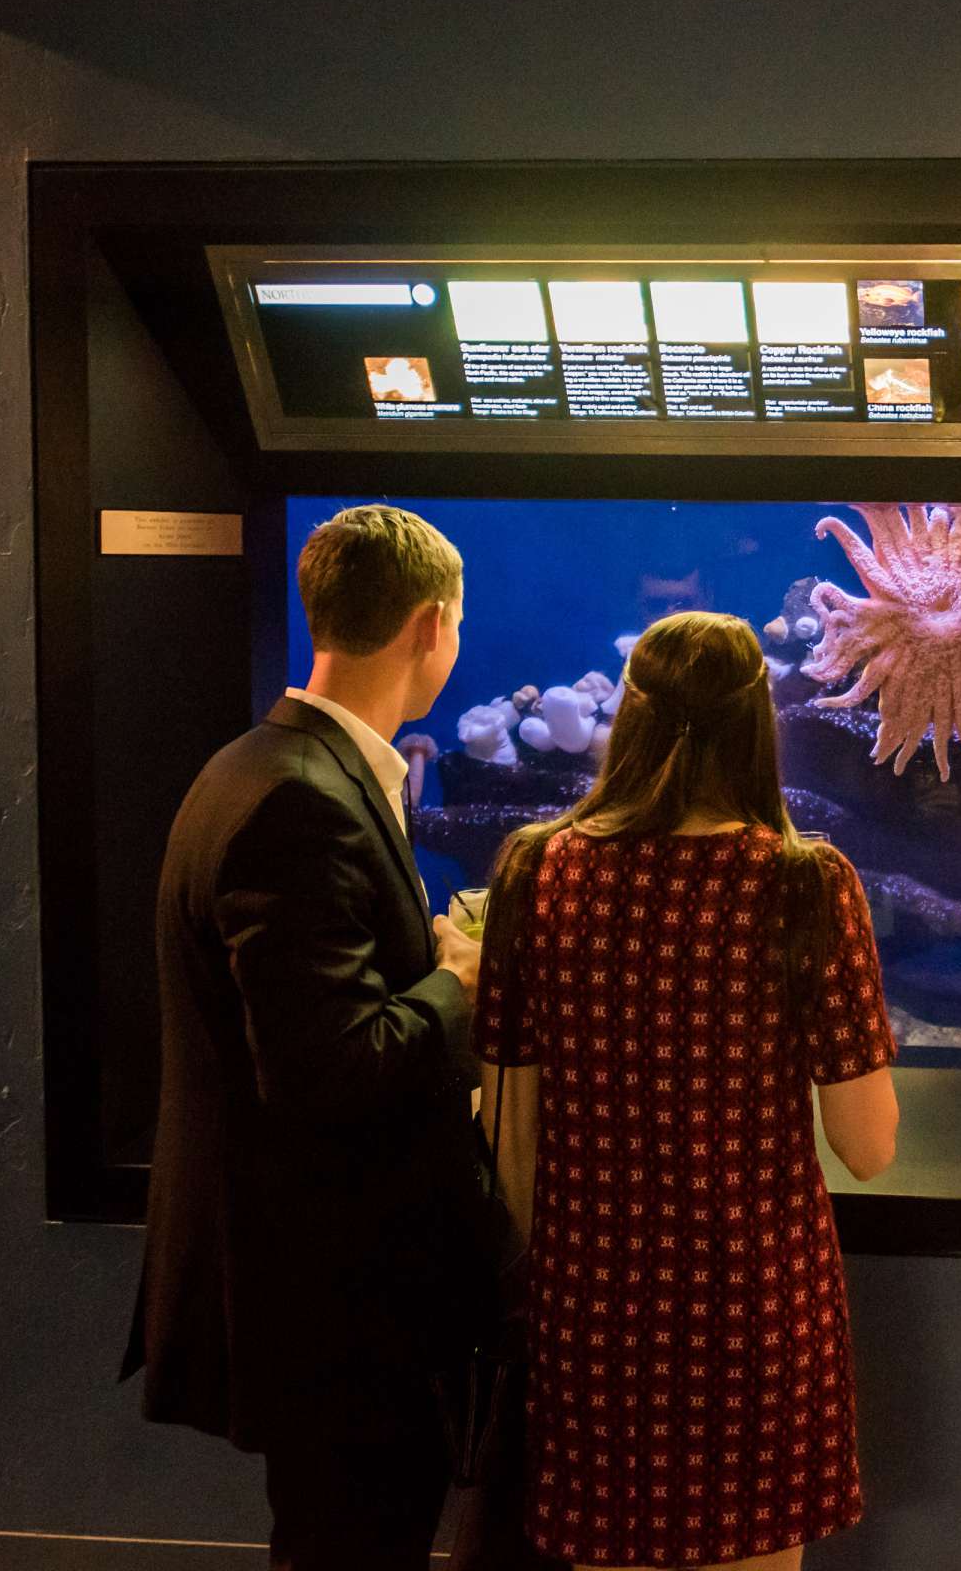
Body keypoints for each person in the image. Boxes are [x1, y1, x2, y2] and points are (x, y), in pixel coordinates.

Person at [473, 610, 901, 1571]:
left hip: (597, 1309)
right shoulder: (805, 883)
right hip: (757, 1311)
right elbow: (868, 1148)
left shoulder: (537, 870)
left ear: (627, 718)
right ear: (761, 720)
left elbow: (511, 1136)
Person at [124, 503, 492, 1569]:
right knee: (351, 1542)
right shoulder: (303, 799)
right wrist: (457, 983)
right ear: (431, 625)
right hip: (335, 1301)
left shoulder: (256, 763)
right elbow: (329, 1066)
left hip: (312, 1282)